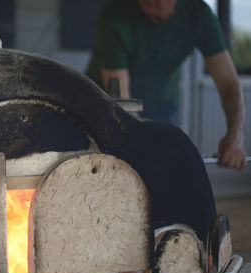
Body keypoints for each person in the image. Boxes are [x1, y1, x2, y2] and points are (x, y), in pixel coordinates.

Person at [86, 0, 247, 169]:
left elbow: (229, 85)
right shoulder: (115, 16)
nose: (148, 4)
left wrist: (235, 138)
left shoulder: (198, 15)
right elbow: (122, 104)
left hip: (163, 109)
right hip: (104, 111)